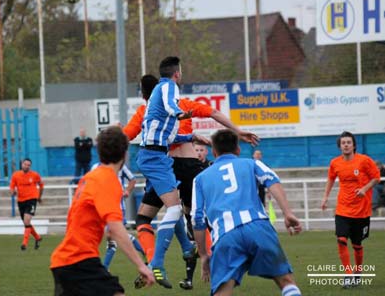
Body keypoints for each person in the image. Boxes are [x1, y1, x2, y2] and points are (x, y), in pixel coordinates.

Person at [124, 71, 259, 289]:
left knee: (146, 217)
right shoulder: (184, 104)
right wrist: (238, 130)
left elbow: (126, 135)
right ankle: (212, 263)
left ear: (143, 94)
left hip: (165, 165)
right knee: (193, 216)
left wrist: (107, 145)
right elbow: (214, 112)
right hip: (188, 166)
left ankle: (155, 260)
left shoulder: (145, 111)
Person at [192, 129, 302, 296]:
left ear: (214, 152)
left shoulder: (200, 178)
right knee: (286, 282)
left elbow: (197, 218)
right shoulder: (252, 163)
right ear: (238, 149)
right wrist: (287, 213)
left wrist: (203, 254)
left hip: (226, 236)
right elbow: (272, 180)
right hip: (258, 228)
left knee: (222, 291)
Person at [50, 126, 155, 296]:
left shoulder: (89, 177)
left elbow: (82, 218)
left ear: (99, 153)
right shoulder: (108, 180)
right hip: (79, 261)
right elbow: (115, 229)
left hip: (65, 260)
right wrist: (141, 265)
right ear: (125, 154)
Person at [321, 131, 380, 288]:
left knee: (357, 245)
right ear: (340, 146)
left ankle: (358, 273)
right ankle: (348, 275)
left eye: (348, 142)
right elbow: (331, 179)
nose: (346, 144)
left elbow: (376, 178)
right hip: (343, 209)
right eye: (343, 142)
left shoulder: (364, 161)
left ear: (354, 145)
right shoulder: (335, 163)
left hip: (361, 210)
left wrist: (364, 189)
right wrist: (325, 197)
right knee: (341, 240)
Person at [90, 161, 144, 270]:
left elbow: (132, 179)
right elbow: (91, 184)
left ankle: (104, 268)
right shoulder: (95, 167)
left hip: (118, 208)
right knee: (113, 237)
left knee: (112, 236)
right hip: (103, 209)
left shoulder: (120, 166)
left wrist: (127, 191)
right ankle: (145, 252)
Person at [9, 158, 44, 251]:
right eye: (25, 164)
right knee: (26, 222)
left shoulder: (35, 175)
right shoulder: (16, 175)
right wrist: (12, 192)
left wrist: (39, 196)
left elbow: (41, 185)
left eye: (28, 165)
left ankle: (24, 244)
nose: (27, 166)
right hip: (21, 201)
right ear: (22, 164)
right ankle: (37, 237)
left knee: (27, 221)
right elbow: (12, 186)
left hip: (32, 199)